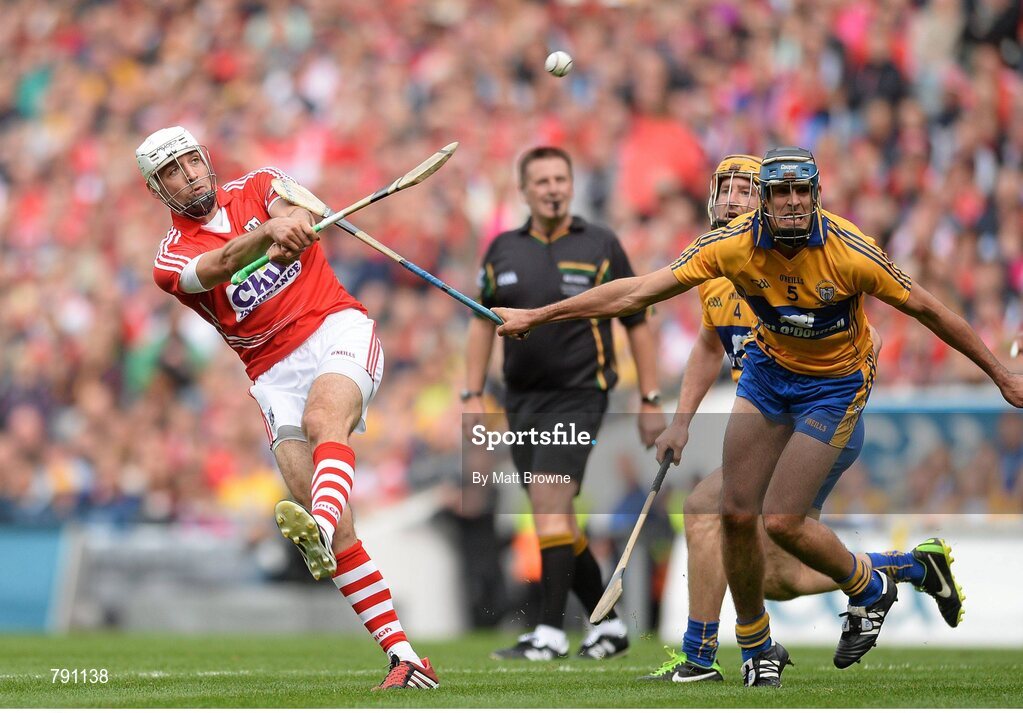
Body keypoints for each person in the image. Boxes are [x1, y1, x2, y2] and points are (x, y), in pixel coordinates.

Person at [495, 146, 1023, 686]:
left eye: (798, 191)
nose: (789, 202)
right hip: (769, 380)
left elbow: (928, 311)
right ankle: (775, 637)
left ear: (814, 194)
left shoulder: (849, 251)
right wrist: (542, 316)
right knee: (751, 541)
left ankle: (852, 592)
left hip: (832, 391)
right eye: (777, 192)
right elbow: (643, 295)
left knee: (771, 521)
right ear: (765, 203)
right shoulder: (727, 253)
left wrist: (1001, 374)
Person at [639, 155, 964, 684]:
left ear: (763, 204)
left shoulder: (787, 260)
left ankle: (701, 656)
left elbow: (868, 337)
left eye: (746, 191)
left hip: (816, 415)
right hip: (772, 412)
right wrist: (681, 421)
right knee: (775, 575)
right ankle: (906, 567)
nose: (733, 200)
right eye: (727, 190)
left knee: (708, 508)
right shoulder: (721, 268)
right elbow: (706, 345)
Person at [138, 126, 438, 690]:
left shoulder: (258, 185)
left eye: (192, 162)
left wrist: (290, 218)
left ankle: (316, 525)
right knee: (339, 528)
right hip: (272, 376)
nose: (189, 175)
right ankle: (407, 660)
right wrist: (268, 237)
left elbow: (292, 204)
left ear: (206, 160)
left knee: (327, 423)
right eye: (173, 172)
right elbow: (223, 263)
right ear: (160, 190)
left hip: (334, 329)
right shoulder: (169, 258)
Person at [463, 146, 665, 660]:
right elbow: (479, 320)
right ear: (524, 190)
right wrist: (470, 394)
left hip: (580, 395)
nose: (553, 188)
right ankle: (610, 626)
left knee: (551, 507)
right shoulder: (501, 250)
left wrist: (649, 397)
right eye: (542, 180)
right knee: (556, 519)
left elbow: (638, 323)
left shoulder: (601, 244)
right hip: (519, 399)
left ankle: (549, 632)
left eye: (561, 179)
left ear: (572, 186)